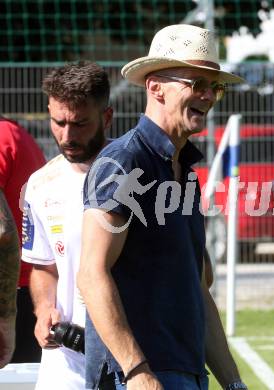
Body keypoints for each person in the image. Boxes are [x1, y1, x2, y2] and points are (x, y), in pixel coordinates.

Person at [78, 24, 248, 390]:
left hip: (185, 372)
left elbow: (198, 288)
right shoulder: (124, 162)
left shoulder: (185, 171)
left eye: (214, 87)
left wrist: (234, 384)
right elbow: (91, 275)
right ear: (155, 87)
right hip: (140, 375)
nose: (208, 96)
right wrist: (137, 372)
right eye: (196, 84)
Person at [21, 61, 113, 389]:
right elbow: (44, 266)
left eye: (80, 123)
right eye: (58, 122)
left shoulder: (134, 176)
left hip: (125, 359)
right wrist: (44, 308)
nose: (67, 135)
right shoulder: (40, 185)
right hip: (65, 360)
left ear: (106, 117)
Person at [0, 117, 46, 367]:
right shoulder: (16, 134)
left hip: (9, 299)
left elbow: (3, 232)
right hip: (31, 292)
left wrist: (5, 317)